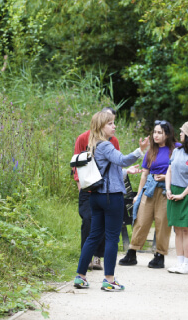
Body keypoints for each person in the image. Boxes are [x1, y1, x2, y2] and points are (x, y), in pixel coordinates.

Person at [74, 111, 149, 291]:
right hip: (111, 197)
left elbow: (106, 171)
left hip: (96, 196)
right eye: (110, 123)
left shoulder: (92, 145)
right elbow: (122, 160)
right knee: (112, 238)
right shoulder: (106, 145)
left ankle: (80, 276)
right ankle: (109, 279)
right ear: (101, 127)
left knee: (93, 236)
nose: (114, 126)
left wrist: (126, 172)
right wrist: (140, 151)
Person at [119, 120, 180, 268]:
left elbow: (181, 171)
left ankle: (160, 255)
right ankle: (132, 253)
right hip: (150, 189)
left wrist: (166, 177)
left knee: (162, 222)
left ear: (167, 134)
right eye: (155, 132)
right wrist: (138, 195)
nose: (156, 135)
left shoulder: (177, 149)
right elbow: (144, 175)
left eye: (160, 132)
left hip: (166, 190)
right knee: (141, 220)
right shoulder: (151, 151)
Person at [73, 107, 119, 271]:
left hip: (105, 190)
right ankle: (85, 259)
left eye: (113, 121)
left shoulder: (113, 141)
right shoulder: (83, 138)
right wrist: (80, 186)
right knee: (87, 221)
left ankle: (98, 257)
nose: (113, 125)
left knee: (104, 224)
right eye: (109, 121)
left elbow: (116, 164)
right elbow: (76, 164)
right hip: (87, 188)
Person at [165, 121, 188, 274]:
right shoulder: (177, 151)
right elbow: (169, 170)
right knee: (177, 229)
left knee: (187, 229)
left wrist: (183, 194)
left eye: (182, 132)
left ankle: (187, 264)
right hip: (173, 193)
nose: (180, 134)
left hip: (187, 194)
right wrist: (167, 189)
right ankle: (179, 263)